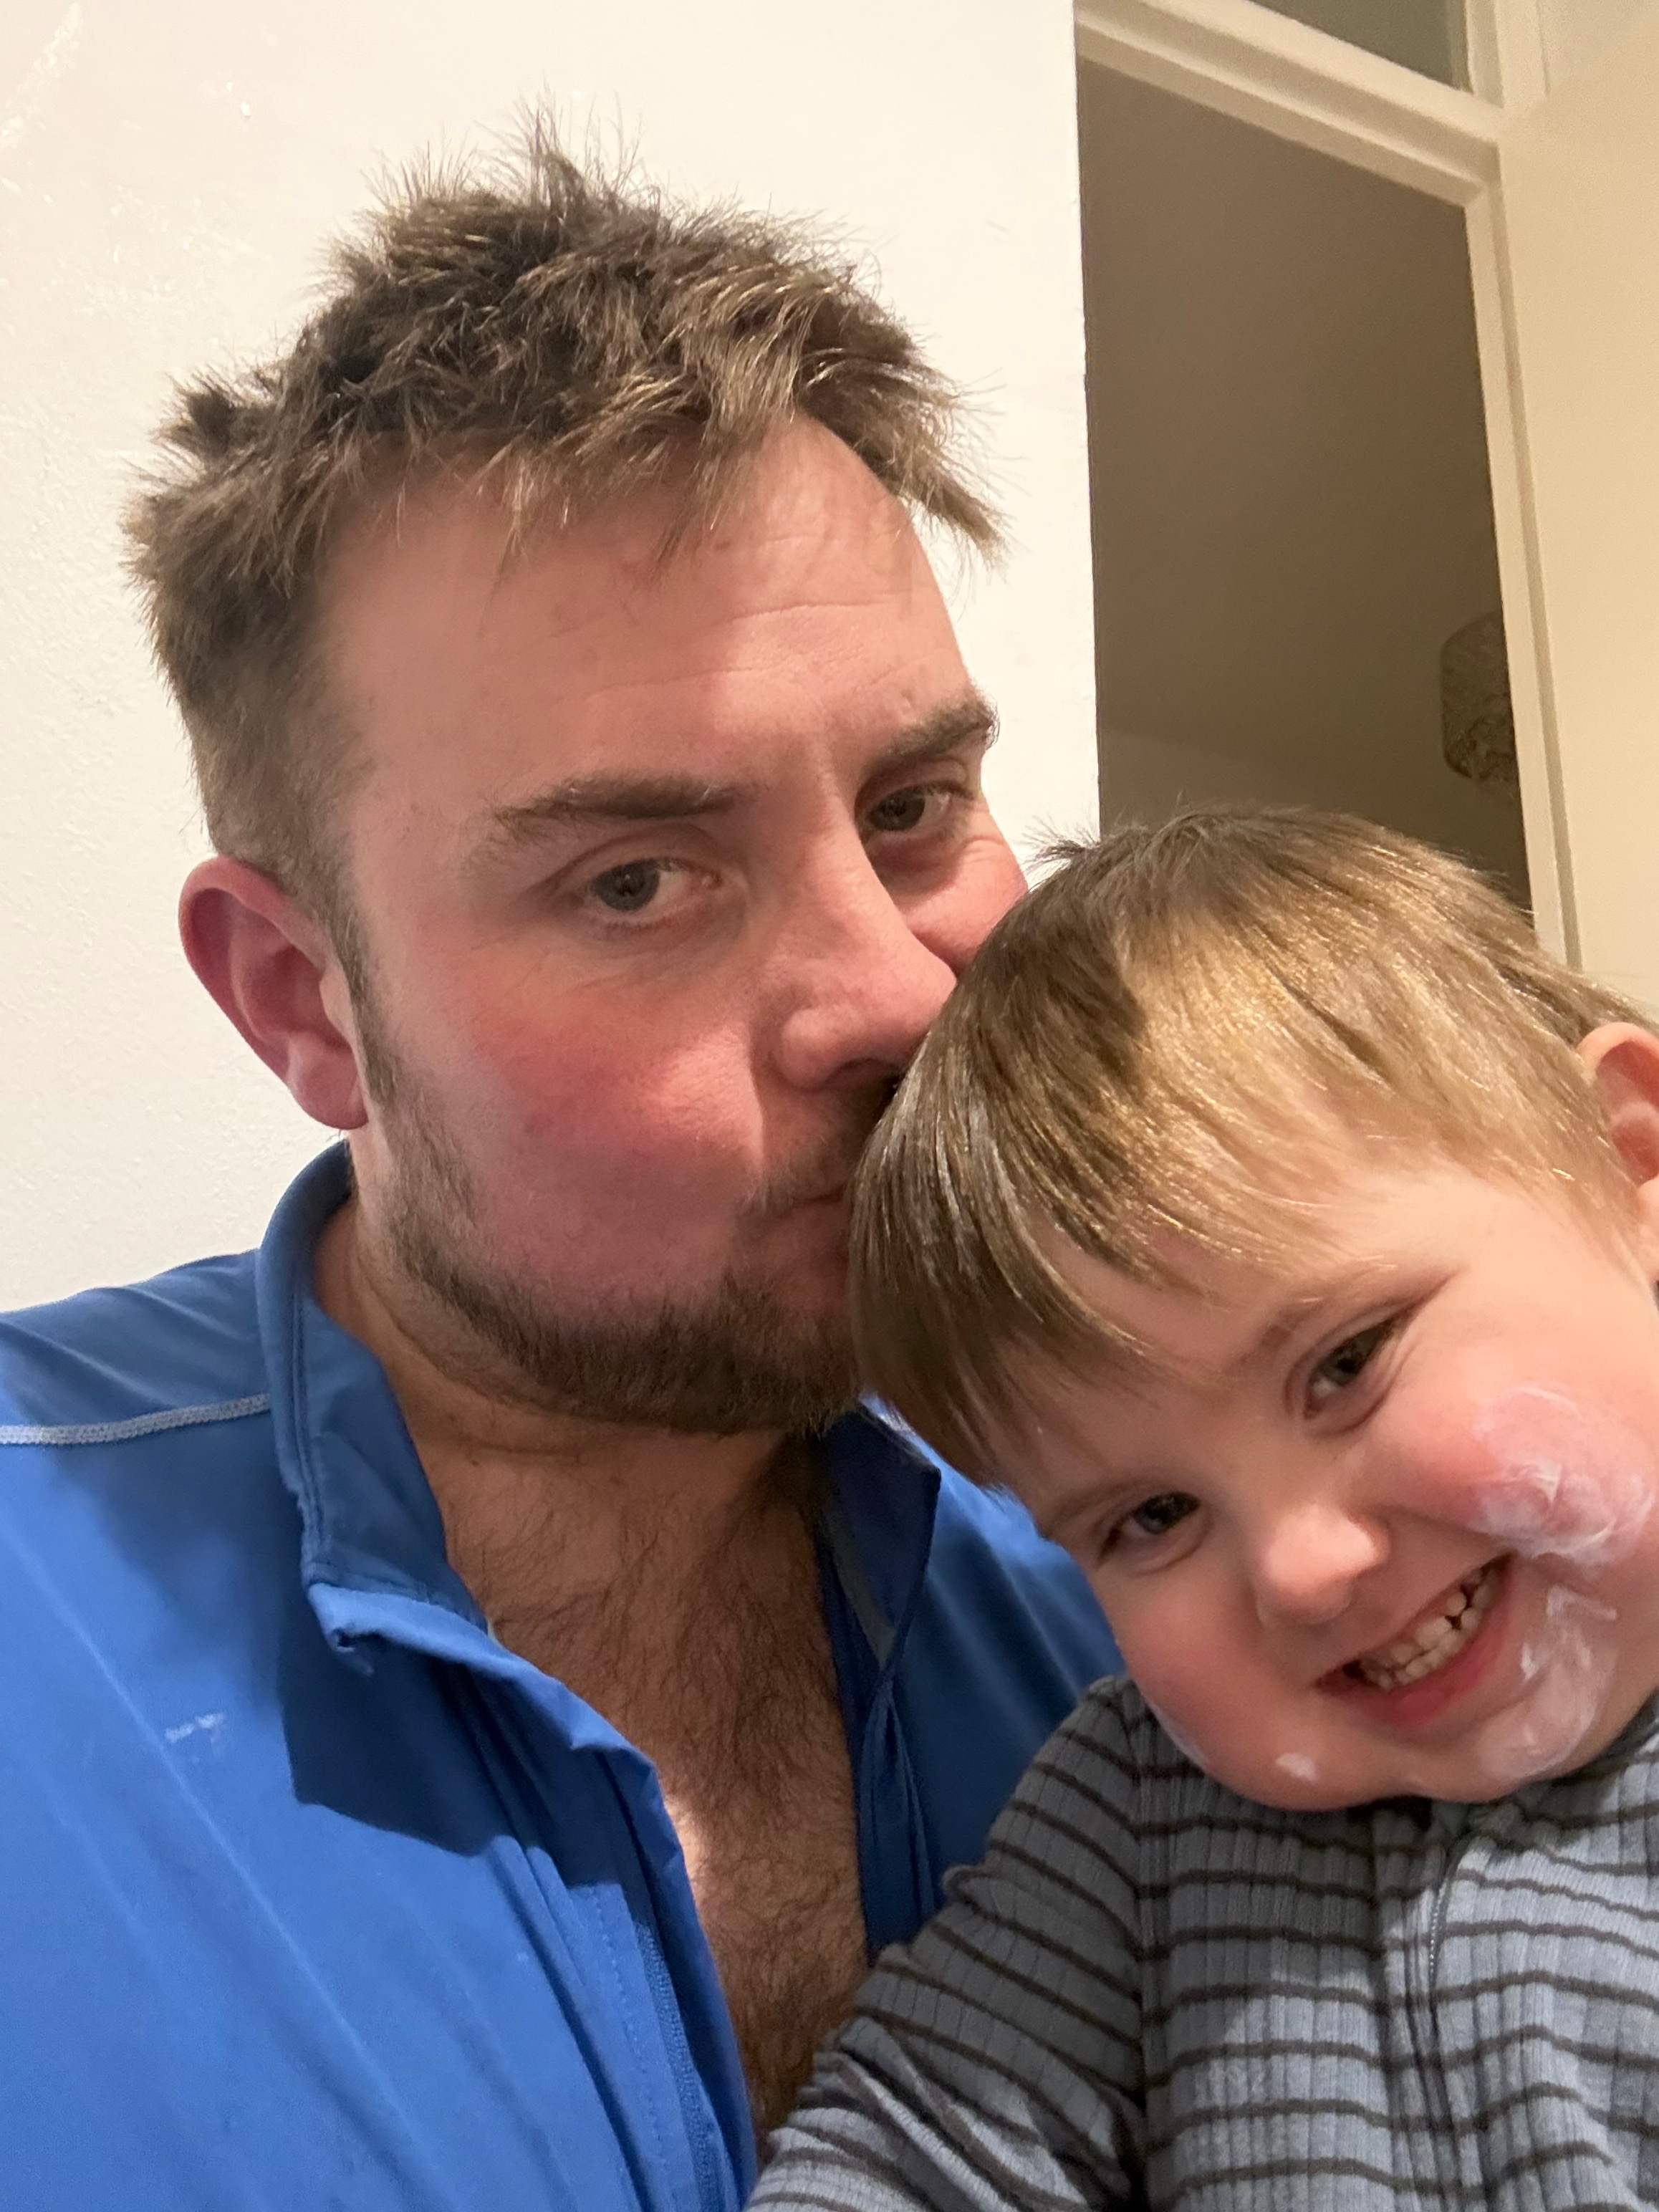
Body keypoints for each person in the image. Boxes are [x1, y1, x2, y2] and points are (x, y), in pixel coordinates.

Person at [0, 139, 1119, 2210]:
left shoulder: (1170, 1536)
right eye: (635, 880)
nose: (896, 1000)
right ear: (304, 1001)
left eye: (912, 806)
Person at [756, 806, 1659, 2211]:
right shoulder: (1141, 1812)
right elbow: (907, 2150)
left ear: (1627, 1167)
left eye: (1345, 1364)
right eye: (1154, 1515)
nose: (1300, 1569)